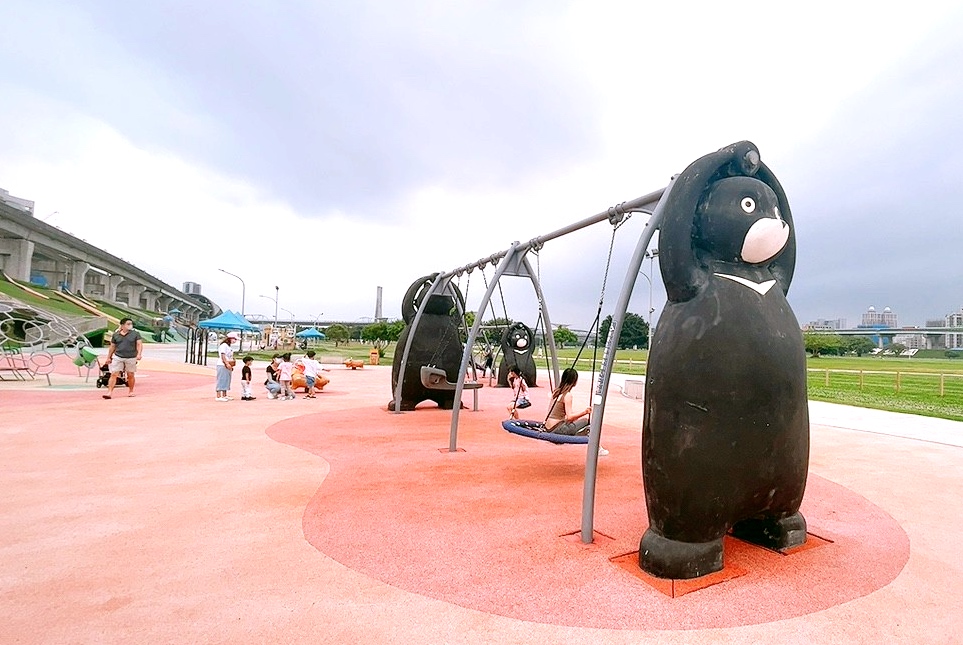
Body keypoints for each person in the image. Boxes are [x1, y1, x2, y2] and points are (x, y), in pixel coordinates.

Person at [544, 367, 609, 455]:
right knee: (586, 421)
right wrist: (585, 412)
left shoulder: (556, 392)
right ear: (574, 382)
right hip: (558, 430)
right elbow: (570, 417)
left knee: (579, 424)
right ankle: (597, 448)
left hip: (548, 428)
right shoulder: (567, 395)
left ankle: (587, 440)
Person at [102, 317, 143, 399]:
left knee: (130, 374)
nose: (130, 326)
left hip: (131, 356)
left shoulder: (135, 334)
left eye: (131, 324)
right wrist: (108, 357)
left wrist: (139, 354)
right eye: (128, 324)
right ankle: (109, 392)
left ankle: (131, 391)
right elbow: (112, 346)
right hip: (118, 356)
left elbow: (139, 344)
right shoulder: (116, 335)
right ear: (122, 325)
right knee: (114, 373)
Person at [215, 332, 239, 401]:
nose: (235, 341)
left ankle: (224, 394)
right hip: (222, 365)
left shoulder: (228, 346)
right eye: (234, 339)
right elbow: (223, 355)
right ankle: (218, 395)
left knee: (226, 379)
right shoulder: (224, 345)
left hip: (228, 365)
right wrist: (226, 363)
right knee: (221, 379)